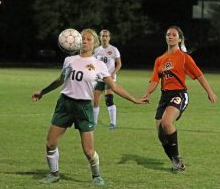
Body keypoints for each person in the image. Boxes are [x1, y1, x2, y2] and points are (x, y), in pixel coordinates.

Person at [32, 28, 148, 185]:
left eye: (89, 39)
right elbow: (60, 80)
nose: (85, 41)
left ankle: (96, 176)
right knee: (50, 143)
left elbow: (114, 87)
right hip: (65, 104)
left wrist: (134, 99)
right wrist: (43, 92)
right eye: (83, 39)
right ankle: (54, 174)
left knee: (88, 151)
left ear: (95, 44)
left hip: (84, 107)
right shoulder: (69, 60)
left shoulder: (99, 65)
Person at [142, 25, 217, 172]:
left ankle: (176, 160)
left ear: (180, 39)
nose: (170, 36)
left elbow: (199, 75)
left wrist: (210, 91)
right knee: (161, 134)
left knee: (166, 122)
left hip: (179, 94)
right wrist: (148, 93)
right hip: (164, 96)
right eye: (168, 34)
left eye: (174, 35)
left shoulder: (184, 57)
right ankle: (176, 163)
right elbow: (154, 80)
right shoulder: (160, 59)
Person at [93, 30, 122, 129]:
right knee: (95, 100)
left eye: (106, 36)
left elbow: (119, 64)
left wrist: (113, 73)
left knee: (108, 99)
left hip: (109, 78)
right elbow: (94, 64)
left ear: (109, 37)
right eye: (102, 36)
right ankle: (94, 123)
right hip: (99, 78)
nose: (104, 38)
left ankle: (113, 123)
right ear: (100, 37)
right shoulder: (96, 50)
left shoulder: (114, 49)